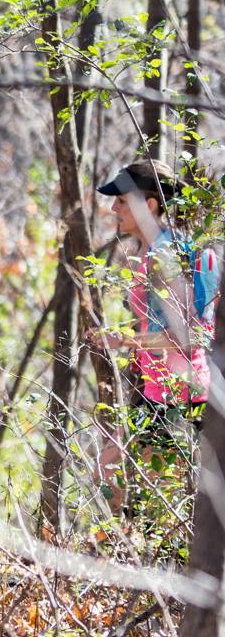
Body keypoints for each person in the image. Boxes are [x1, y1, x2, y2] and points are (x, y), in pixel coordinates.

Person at [90, 159, 220, 516]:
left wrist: (124, 341)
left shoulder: (169, 257)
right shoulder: (151, 253)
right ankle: (123, 553)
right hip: (157, 391)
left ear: (149, 206)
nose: (113, 207)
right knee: (110, 467)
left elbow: (191, 338)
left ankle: (145, 562)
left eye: (121, 200)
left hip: (181, 393)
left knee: (163, 498)